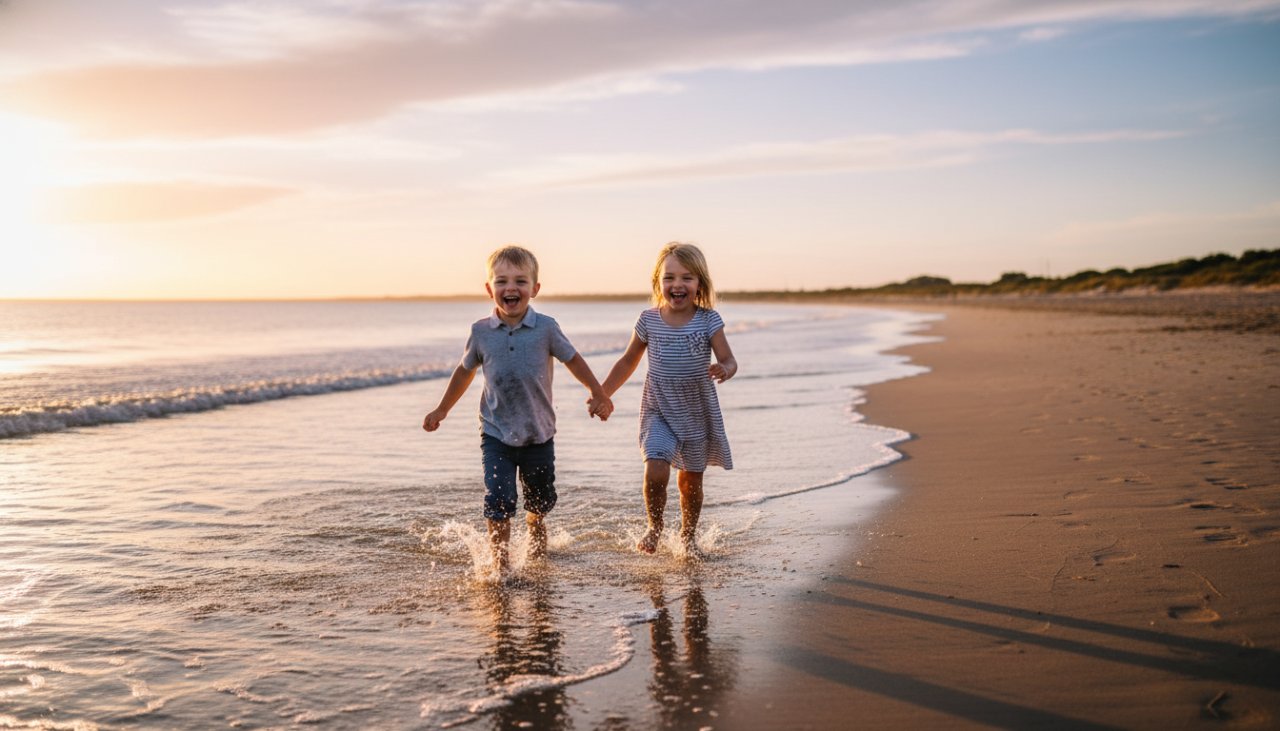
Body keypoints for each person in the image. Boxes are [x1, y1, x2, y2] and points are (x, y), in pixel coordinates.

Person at [423, 245, 613, 574]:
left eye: (520, 281)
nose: (511, 288)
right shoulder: (481, 332)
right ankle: (501, 566)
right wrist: (442, 409)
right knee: (498, 497)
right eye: (502, 281)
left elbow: (573, 360)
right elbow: (464, 371)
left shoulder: (547, 328)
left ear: (535, 289)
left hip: (538, 432)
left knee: (539, 501)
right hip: (496, 431)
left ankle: (536, 529)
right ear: (489, 289)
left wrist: (598, 393)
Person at [601, 242, 737, 555]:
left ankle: (688, 537)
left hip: (696, 410)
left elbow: (730, 359)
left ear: (699, 284)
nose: (677, 285)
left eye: (687, 278)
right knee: (656, 468)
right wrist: (603, 393)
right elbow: (627, 361)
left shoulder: (708, 320)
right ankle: (655, 527)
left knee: (690, 483)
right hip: (659, 408)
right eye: (669, 278)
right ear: (658, 283)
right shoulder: (649, 320)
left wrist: (725, 369)